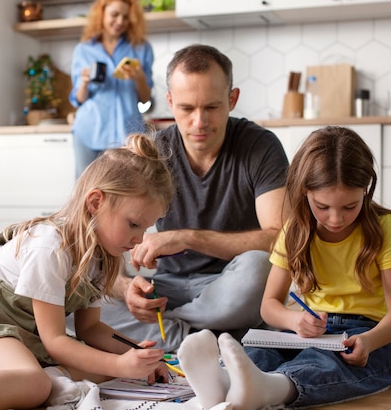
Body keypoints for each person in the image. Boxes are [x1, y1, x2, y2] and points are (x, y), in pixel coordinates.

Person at [0, 133, 173, 410]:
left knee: (110, 370)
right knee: (35, 382)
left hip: (26, 336)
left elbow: (90, 329)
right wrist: (119, 363)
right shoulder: (50, 246)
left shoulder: (101, 256)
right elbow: (56, 341)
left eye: (146, 228)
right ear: (96, 203)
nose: (139, 239)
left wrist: (136, 353)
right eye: (134, 224)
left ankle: (49, 380)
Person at [178, 126, 391, 410]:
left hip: (367, 334)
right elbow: (269, 305)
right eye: (322, 206)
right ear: (305, 192)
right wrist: (294, 321)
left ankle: (269, 389)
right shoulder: (295, 231)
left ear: (366, 190)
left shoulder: (384, 229)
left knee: (323, 364)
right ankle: (221, 385)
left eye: (350, 206)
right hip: (308, 330)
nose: (336, 218)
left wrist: (369, 340)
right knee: (260, 350)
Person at [98, 44, 289, 353]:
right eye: (187, 109)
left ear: (232, 99)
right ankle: (215, 338)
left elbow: (281, 239)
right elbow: (102, 236)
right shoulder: (152, 152)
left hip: (227, 285)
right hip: (165, 288)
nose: (199, 122)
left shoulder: (260, 147)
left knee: (261, 268)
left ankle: (172, 330)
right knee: (78, 297)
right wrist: (126, 287)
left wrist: (187, 238)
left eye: (211, 107)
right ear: (171, 103)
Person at [69, 0, 154, 177]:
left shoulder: (141, 48)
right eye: (115, 14)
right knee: (86, 192)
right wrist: (83, 82)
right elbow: (77, 100)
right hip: (88, 131)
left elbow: (146, 101)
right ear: (102, 14)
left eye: (125, 16)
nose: (120, 21)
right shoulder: (83, 50)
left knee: (128, 190)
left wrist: (139, 78)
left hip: (128, 134)